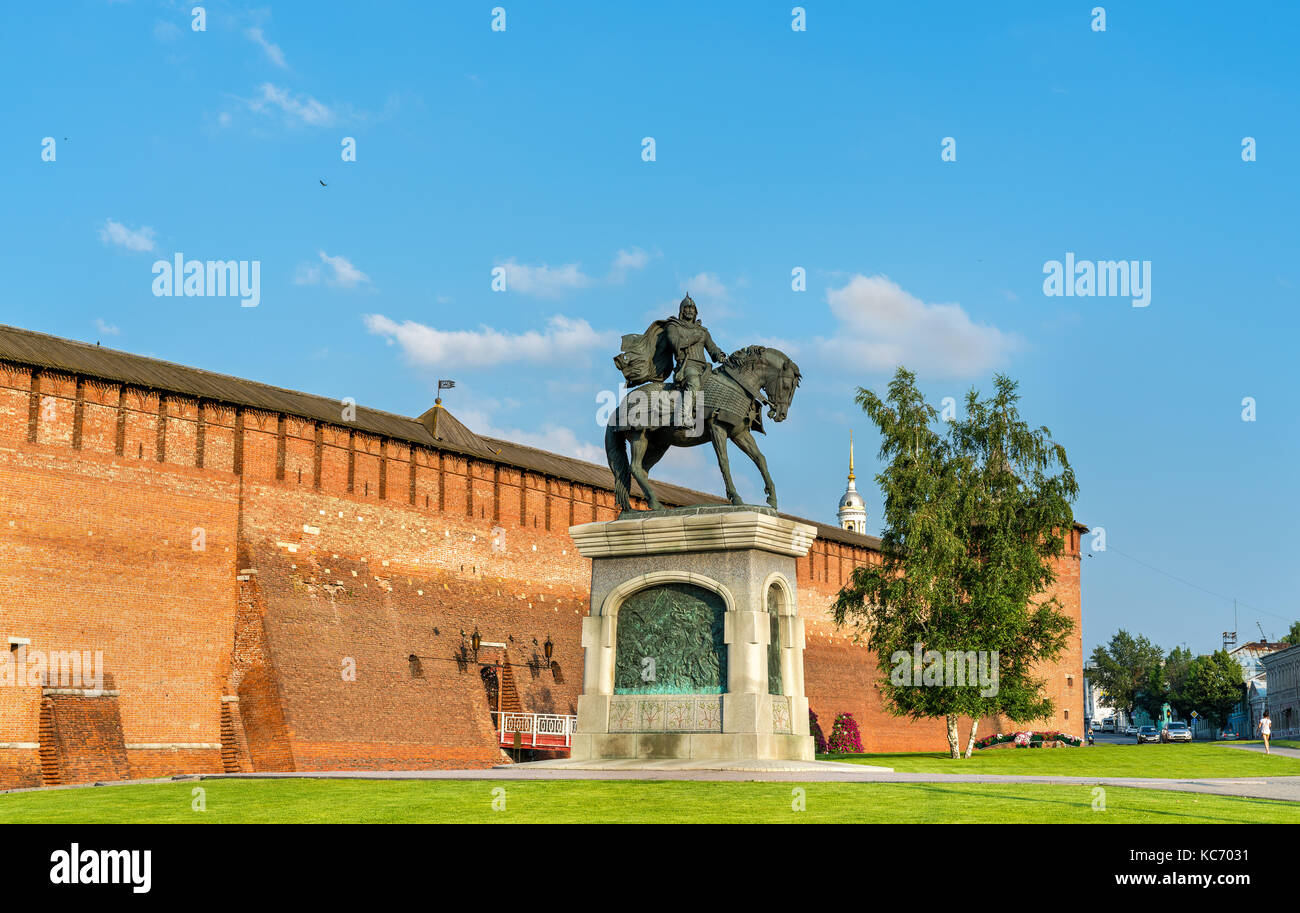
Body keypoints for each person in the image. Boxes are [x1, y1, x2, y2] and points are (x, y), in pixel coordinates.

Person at [662, 294, 725, 399]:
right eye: (687, 307)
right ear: (682, 310)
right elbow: (675, 343)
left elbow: (712, 348)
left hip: (704, 368)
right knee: (694, 383)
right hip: (686, 367)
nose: (690, 310)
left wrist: (719, 355)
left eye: (692, 308)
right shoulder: (673, 326)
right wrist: (693, 338)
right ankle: (685, 413)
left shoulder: (702, 331)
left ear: (696, 311)